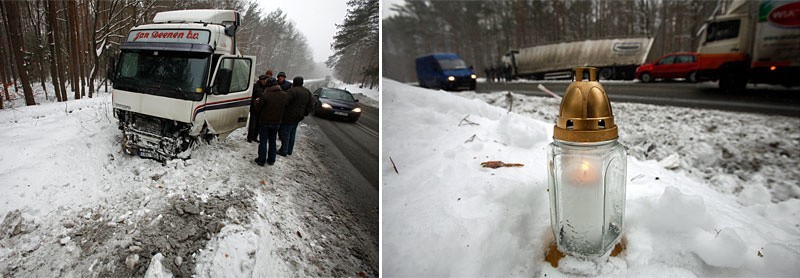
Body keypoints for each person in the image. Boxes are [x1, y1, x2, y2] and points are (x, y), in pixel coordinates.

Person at [253, 79, 289, 166]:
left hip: (265, 121)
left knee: (263, 141)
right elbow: (286, 107)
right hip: (277, 122)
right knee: (272, 141)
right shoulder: (284, 95)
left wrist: (256, 102)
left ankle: (261, 160)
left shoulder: (265, 95)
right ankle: (271, 159)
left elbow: (258, 108)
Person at [278, 76, 314, 156]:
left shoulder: (291, 91)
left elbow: (285, 102)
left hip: (289, 115)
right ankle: (289, 150)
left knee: (285, 132)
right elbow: (311, 104)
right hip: (299, 116)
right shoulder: (307, 91)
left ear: (294, 82)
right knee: (292, 133)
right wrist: (305, 112)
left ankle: (284, 150)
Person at [247, 75, 269, 143]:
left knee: (258, 125)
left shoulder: (267, 87)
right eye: (263, 80)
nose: (264, 81)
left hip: (262, 109)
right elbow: (250, 96)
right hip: (254, 108)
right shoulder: (255, 86)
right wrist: (255, 100)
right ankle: (250, 137)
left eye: (265, 80)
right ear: (260, 80)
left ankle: (255, 137)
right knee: (252, 124)